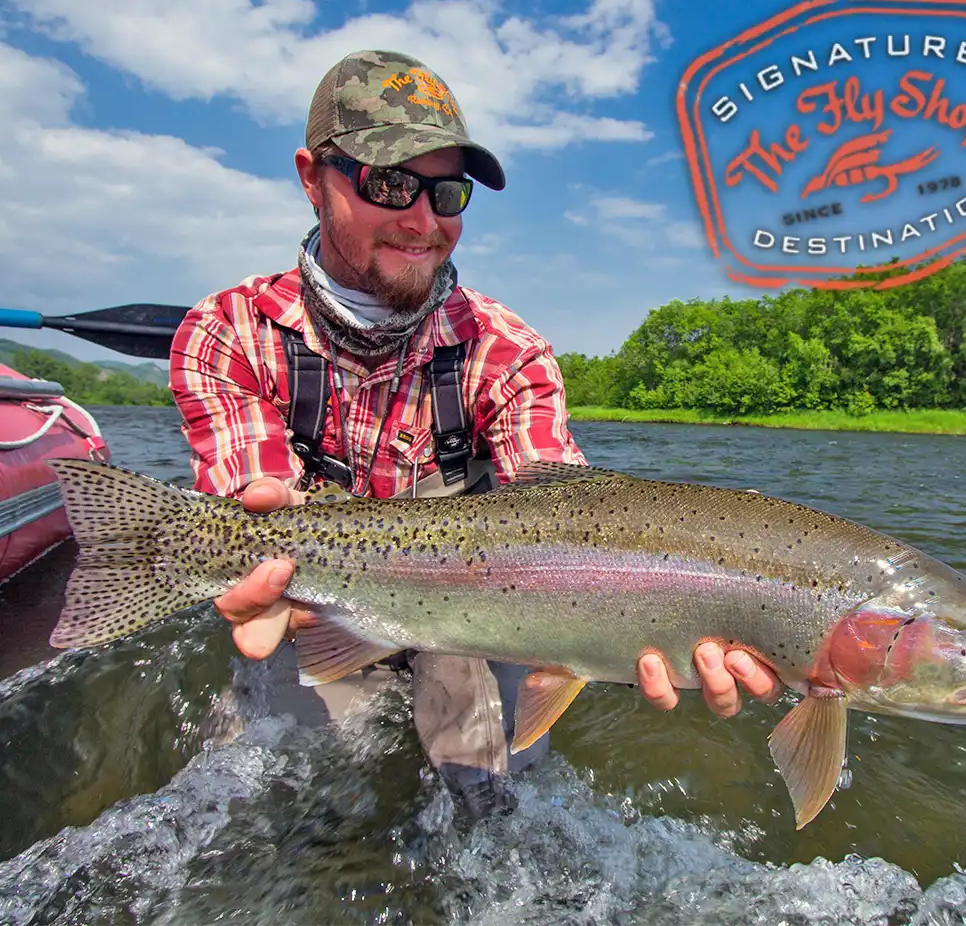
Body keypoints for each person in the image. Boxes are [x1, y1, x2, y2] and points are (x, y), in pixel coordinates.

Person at [169, 49, 780, 813]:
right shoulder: (226, 331)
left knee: (492, 801)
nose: (424, 221)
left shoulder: (510, 351)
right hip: (315, 599)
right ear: (311, 178)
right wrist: (249, 536)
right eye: (390, 184)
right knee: (287, 798)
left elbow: (574, 520)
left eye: (447, 193)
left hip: (486, 603)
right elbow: (251, 496)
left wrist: (660, 615)